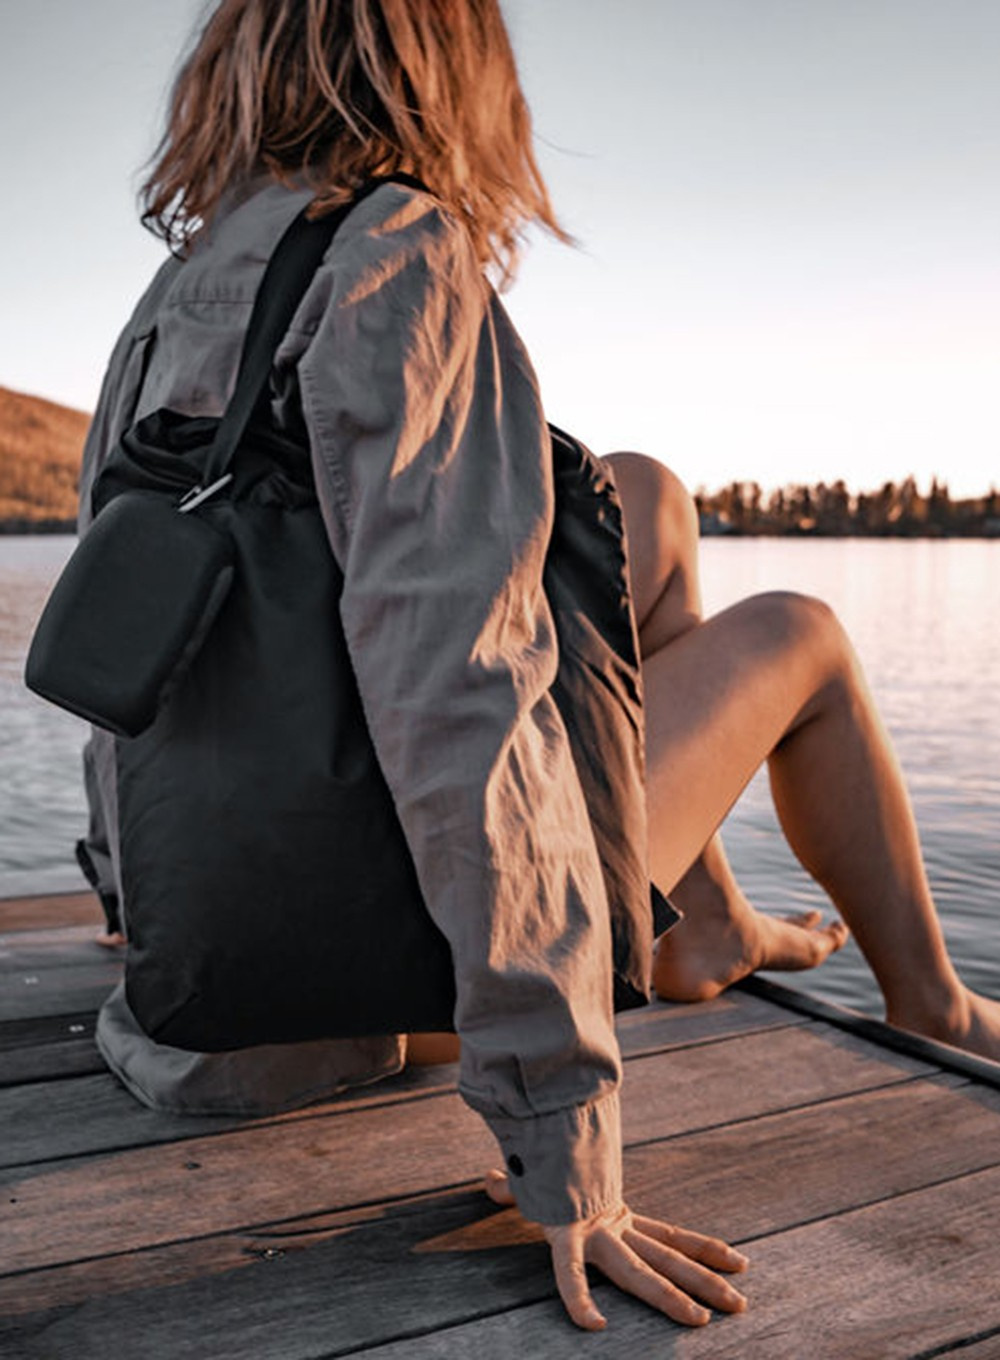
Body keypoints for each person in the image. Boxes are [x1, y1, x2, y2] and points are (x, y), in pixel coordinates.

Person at [75, 0, 999, 1336]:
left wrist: (130, 896)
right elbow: (462, 705)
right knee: (800, 630)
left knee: (643, 496)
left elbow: (124, 646)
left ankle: (710, 922)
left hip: (202, 978)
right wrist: (564, 1139)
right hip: (354, 989)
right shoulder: (396, 252)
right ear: (451, 74)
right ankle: (935, 1003)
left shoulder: (173, 300)